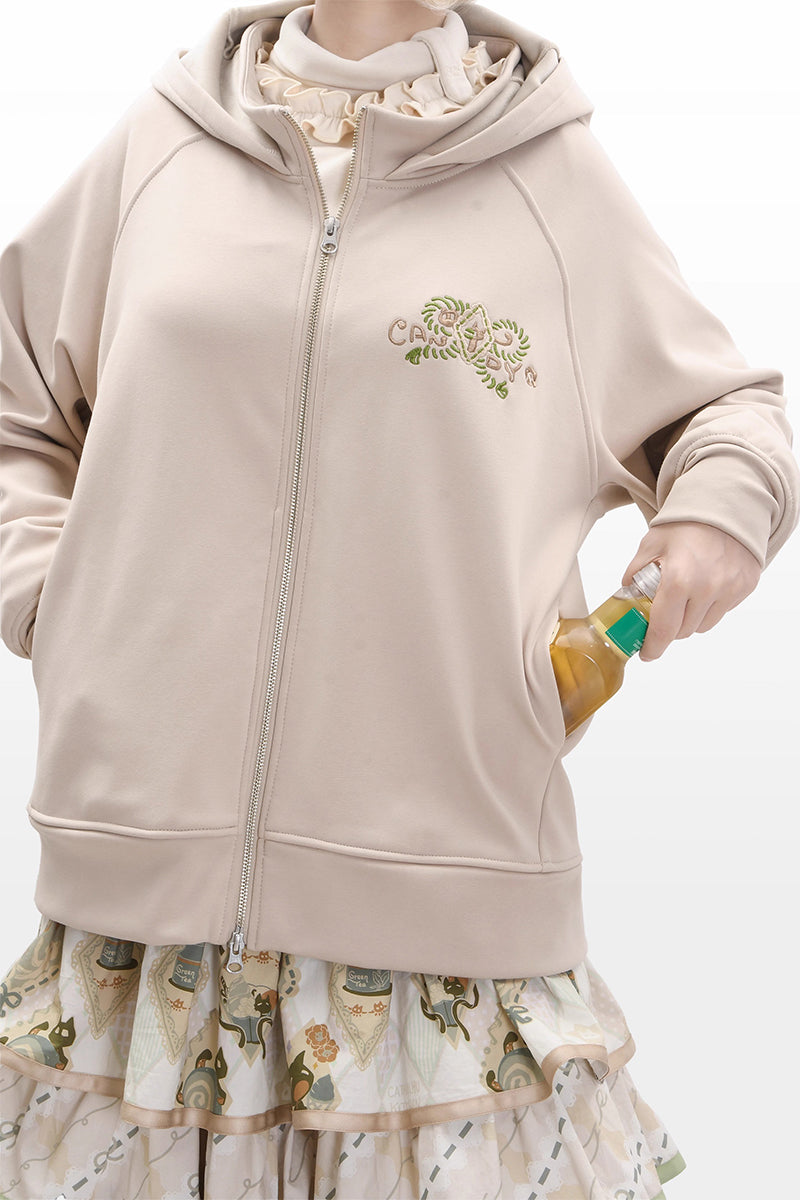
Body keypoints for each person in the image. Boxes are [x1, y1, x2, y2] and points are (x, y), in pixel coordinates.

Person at [0, 0, 797, 1196]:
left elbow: (725, 410)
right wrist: (57, 603)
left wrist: (715, 514)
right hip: (133, 953)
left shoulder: (547, 175)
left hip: (445, 947)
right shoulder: (164, 143)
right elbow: (15, 396)